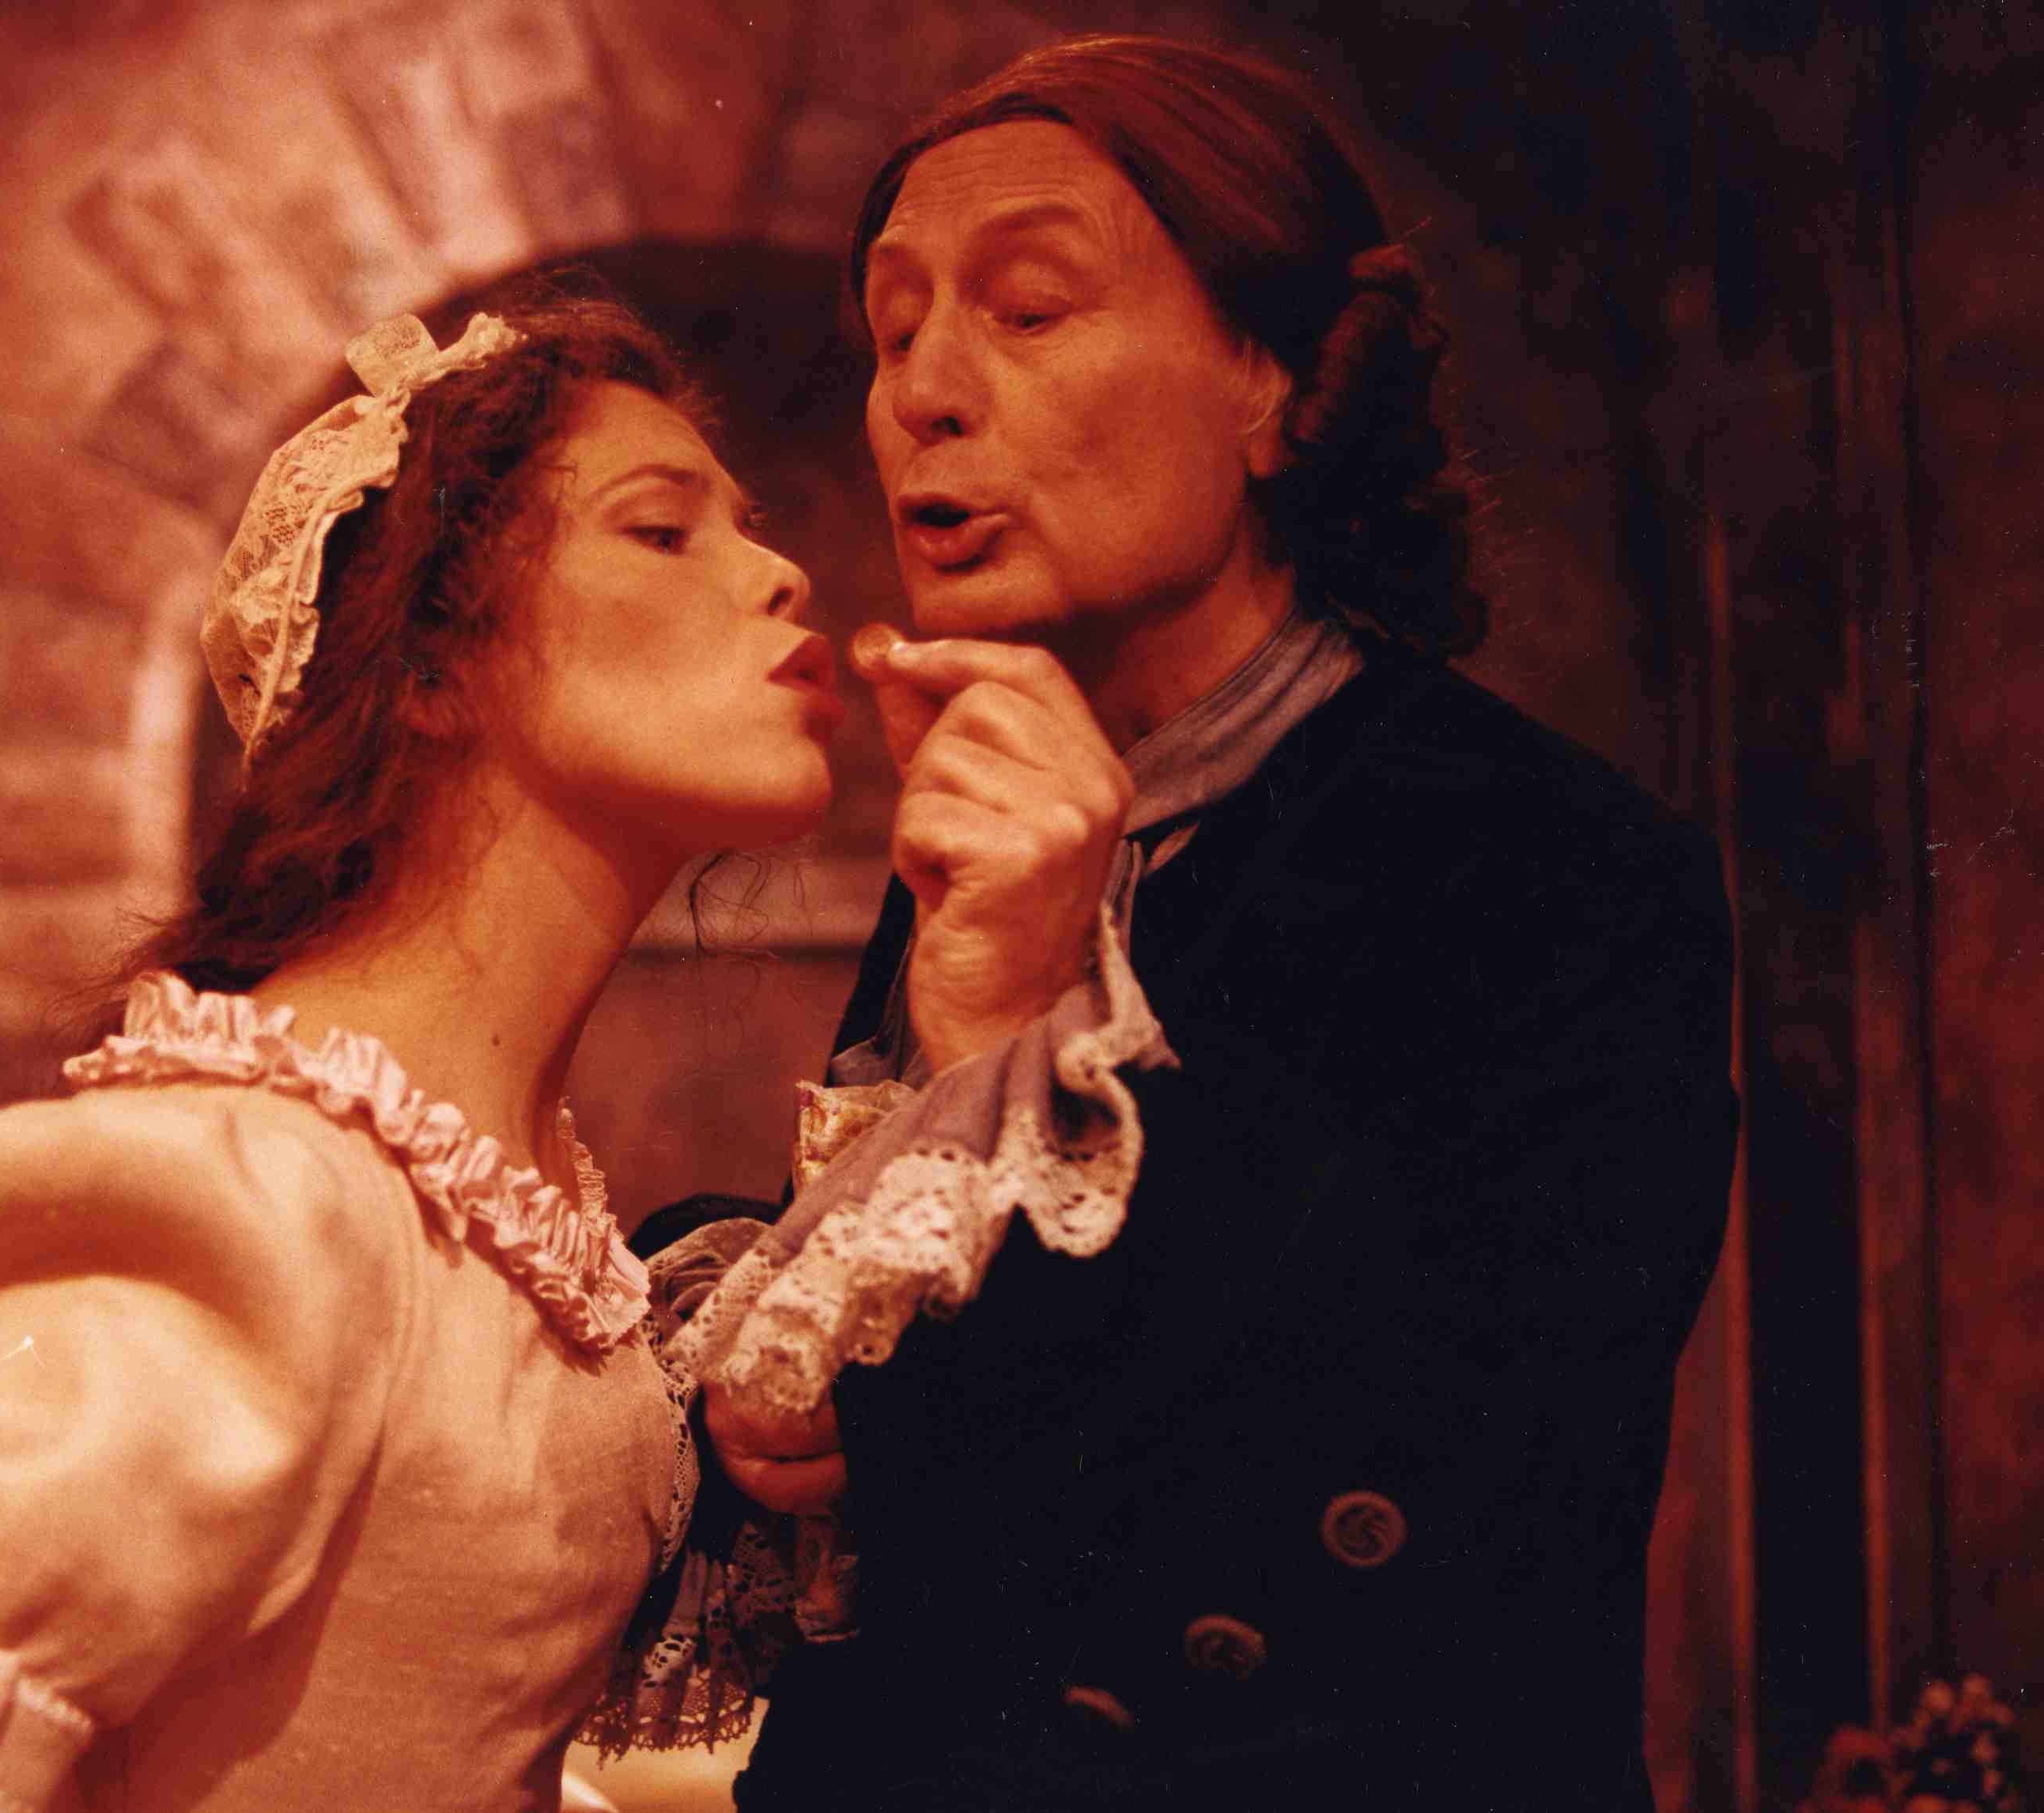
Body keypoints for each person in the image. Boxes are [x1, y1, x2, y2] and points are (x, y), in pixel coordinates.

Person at [678, 34, 1740, 1811]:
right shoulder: (1011, 833)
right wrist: (765, 1381)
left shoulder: (1547, 862)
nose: (922, 390)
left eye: (1026, 310)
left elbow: (1379, 1528)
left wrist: (1015, 1037)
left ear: (1277, 385)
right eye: (892, 328)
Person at [0, 294, 845, 1813]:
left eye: (744, 525)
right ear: (428, 666)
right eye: (661, 531)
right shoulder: (233, 1200)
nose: (781, 572)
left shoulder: (513, 1220)